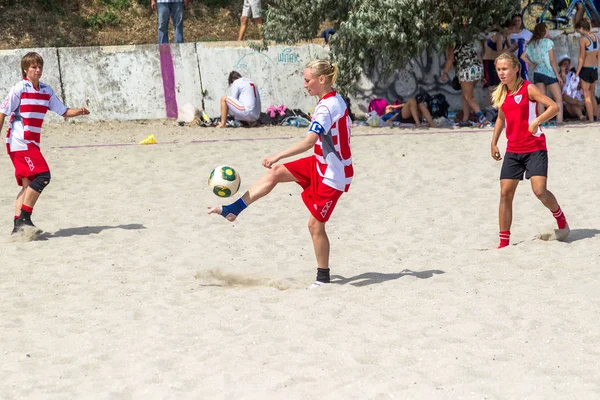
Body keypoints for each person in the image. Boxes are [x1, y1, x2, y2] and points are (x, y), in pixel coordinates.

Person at [208, 60, 353, 289]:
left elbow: (309, 141)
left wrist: (278, 155)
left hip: (333, 174)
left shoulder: (327, 108)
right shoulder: (334, 99)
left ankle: (323, 279)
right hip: (320, 162)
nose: (304, 85)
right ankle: (233, 209)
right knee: (275, 174)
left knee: (315, 226)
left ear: (322, 80)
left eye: (307, 80)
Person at [0, 52, 90, 235]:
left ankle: (18, 229)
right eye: (33, 67)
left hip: (31, 143)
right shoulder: (20, 88)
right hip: (19, 142)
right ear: (25, 69)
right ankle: (25, 217)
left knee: (28, 185)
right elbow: (3, 111)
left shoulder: (46, 91)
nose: (37, 70)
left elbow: (63, 111)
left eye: (39, 66)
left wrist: (79, 112)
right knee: (43, 176)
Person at [490, 52, 569, 249]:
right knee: (505, 194)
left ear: (516, 69)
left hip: (535, 147)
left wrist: (536, 121)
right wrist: (494, 142)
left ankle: (560, 218)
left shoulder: (529, 89)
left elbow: (553, 107)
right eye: (499, 69)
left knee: (539, 191)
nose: (501, 73)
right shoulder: (502, 93)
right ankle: (504, 243)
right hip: (513, 150)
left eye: (505, 69)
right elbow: (501, 118)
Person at [521, 22, 564, 124]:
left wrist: (532, 64)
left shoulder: (532, 44)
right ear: (544, 31)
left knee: (541, 99)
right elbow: (552, 60)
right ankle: (559, 121)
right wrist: (557, 75)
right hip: (549, 72)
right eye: (547, 29)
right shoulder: (548, 42)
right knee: (558, 99)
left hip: (538, 73)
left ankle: (542, 122)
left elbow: (522, 56)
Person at [441, 41, 491, 127]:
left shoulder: (451, 42)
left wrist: (445, 73)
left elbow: (450, 59)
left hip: (465, 70)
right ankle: (465, 119)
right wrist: (482, 75)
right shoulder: (470, 40)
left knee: (469, 97)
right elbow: (478, 56)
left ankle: (483, 119)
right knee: (465, 95)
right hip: (477, 69)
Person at [482, 21, 517, 97]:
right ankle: (492, 107)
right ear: (505, 28)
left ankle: (497, 106)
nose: (511, 31)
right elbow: (500, 52)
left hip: (496, 62)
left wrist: (516, 46)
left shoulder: (507, 36)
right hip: (489, 61)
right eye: (510, 29)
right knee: (491, 85)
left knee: (499, 84)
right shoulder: (499, 36)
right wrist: (512, 47)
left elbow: (509, 50)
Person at [574, 18, 599, 122]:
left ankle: (590, 119)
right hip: (594, 69)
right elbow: (598, 55)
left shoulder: (583, 39)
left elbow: (581, 57)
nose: (578, 32)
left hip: (585, 69)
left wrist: (577, 73)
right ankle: (595, 117)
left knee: (586, 95)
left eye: (578, 29)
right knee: (592, 94)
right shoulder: (597, 37)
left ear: (582, 28)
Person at [558, 55, 586, 121]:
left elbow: (579, 86)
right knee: (566, 98)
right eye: (565, 64)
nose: (567, 66)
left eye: (568, 64)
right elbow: (562, 85)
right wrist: (562, 73)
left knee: (574, 103)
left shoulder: (573, 74)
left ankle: (581, 116)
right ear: (561, 66)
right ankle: (580, 116)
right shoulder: (558, 77)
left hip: (577, 102)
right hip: (567, 103)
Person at [509, 14, 533, 80]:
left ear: (521, 21)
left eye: (518, 20)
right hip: (511, 60)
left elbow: (534, 42)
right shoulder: (509, 33)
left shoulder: (526, 33)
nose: (517, 22)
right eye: (515, 21)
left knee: (523, 79)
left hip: (523, 60)